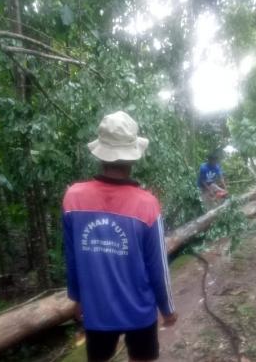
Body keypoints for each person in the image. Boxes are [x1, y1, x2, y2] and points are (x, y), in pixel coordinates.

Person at [62, 111, 177, 362]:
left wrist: (77, 299)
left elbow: (71, 259)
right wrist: (167, 309)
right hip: (140, 312)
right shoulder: (147, 204)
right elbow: (158, 267)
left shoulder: (73, 198)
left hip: (97, 310)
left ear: (101, 153)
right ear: (132, 157)